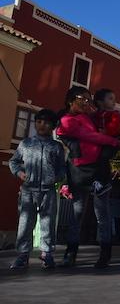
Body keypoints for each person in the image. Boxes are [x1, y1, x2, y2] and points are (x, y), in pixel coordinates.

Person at [56, 86, 120, 269]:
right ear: (70, 99)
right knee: (77, 213)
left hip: (99, 170)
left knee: (102, 214)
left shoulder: (88, 116)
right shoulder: (66, 120)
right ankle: (71, 253)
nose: (86, 102)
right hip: (80, 173)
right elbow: (91, 136)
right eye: (82, 98)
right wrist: (114, 142)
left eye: (88, 99)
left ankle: (105, 253)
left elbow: (102, 128)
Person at [9, 109, 66, 270]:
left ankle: (47, 254)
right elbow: (14, 162)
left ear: (53, 126)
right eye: (39, 122)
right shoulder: (26, 144)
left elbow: (62, 168)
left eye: (47, 123)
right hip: (28, 190)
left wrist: (56, 177)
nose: (42, 125)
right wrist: (19, 173)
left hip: (48, 191)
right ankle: (23, 255)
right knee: (25, 222)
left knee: (48, 222)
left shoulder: (56, 147)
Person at [92, 88, 120, 196]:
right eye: (110, 99)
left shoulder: (115, 114)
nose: (114, 101)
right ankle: (98, 180)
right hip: (101, 141)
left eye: (114, 99)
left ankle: (104, 181)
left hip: (113, 140)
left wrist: (106, 131)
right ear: (100, 102)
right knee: (97, 158)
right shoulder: (96, 114)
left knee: (103, 157)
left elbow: (115, 126)